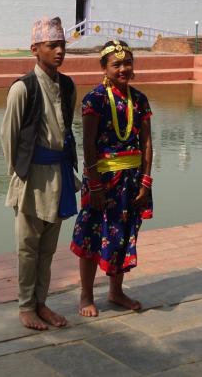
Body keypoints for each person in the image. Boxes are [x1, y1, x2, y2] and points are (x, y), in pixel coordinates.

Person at [0, 16, 79, 330]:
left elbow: (66, 128)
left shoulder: (68, 86)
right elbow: (9, 138)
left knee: (47, 249)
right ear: (35, 49)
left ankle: (41, 302)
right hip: (31, 179)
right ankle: (25, 307)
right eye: (52, 45)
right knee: (28, 248)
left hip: (59, 176)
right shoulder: (23, 89)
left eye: (62, 45)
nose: (59, 51)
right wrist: (18, 178)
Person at [70, 39, 153, 317]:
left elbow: (148, 142)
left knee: (124, 234)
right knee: (93, 237)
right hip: (102, 180)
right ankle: (86, 295)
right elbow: (88, 144)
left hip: (131, 179)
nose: (123, 68)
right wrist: (93, 184)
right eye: (116, 64)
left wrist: (146, 180)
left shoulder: (139, 99)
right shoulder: (94, 99)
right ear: (104, 68)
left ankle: (116, 291)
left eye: (127, 63)